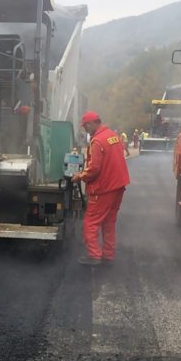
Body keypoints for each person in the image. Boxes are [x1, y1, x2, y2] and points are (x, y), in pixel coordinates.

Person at [72, 111, 131, 266]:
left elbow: (94, 169)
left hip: (104, 189)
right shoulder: (113, 135)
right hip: (118, 186)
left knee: (90, 223)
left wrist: (80, 176)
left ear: (91, 124)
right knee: (109, 222)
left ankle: (94, 255)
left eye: (85, 127)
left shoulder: (97, 141)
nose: (85, 130)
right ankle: (108, 254)